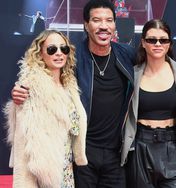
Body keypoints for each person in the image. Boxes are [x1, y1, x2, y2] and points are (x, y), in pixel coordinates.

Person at [11, 0, 135, 187]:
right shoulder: (73, 57)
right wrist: (21, 90)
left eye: (109, 20)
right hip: (81, 154)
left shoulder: (127, 55)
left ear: (114, 24)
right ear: (86, 25)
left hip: (116, 155)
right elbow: (44, 75)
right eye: (96, 20)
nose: (103, 26)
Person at [3, 30, 88, 188]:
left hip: (66, 170)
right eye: (51, 49)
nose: (59, 53)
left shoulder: (69, 85)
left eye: (64, 49)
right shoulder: (30, 87)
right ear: (40, 53)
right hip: (43, 175)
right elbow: (23, 143)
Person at [121, 19, 176, 188]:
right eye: (152, 40)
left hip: (173, 146)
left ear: (169, 44)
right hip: (140, 146)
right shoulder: (133, 74)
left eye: (163, 40)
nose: (158, 44)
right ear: (143, 43)